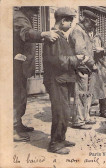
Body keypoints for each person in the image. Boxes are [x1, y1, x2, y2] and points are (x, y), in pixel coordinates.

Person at [42, 7, 86, 154]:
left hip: (63, 79)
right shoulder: (54, 37)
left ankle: (61, 138)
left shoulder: (60, 36)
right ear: (63, 21)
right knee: (60, 112)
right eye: (70, 21)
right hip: (57, 81)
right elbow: (57, 60)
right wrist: (76, 59)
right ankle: (55, 144)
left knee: (65, 111)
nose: (71, 25)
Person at [13, 6, 59, 142]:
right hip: (15, 65)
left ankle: (18, 123)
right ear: (28, 9)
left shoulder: (22, 16)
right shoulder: (19, 17)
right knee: (15, 96)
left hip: (20, 65)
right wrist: (44, 34)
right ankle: (11, 129)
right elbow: (26, 33)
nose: (34, 16)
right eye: (33, 12)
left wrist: (42, 38)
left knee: (20, 95)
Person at [68, 10, 98, 129]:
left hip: (86, 68)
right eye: (91, 24)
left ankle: (85, 116)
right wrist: (92, 64)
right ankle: (78, 121)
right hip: (81, 67)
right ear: (85, 20)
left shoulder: (84, 31)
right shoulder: (77, 31)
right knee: (80, 94)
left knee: (87, 94)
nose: (92, 27)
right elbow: (80, 51)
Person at [92, 31, 106, 118]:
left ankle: (103, 110)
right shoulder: (87, 36)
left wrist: (103, 50)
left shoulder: (98, 37)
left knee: (101, 88)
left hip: (99, 66)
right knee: (92, 89)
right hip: (92, 65)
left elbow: (103, 50)